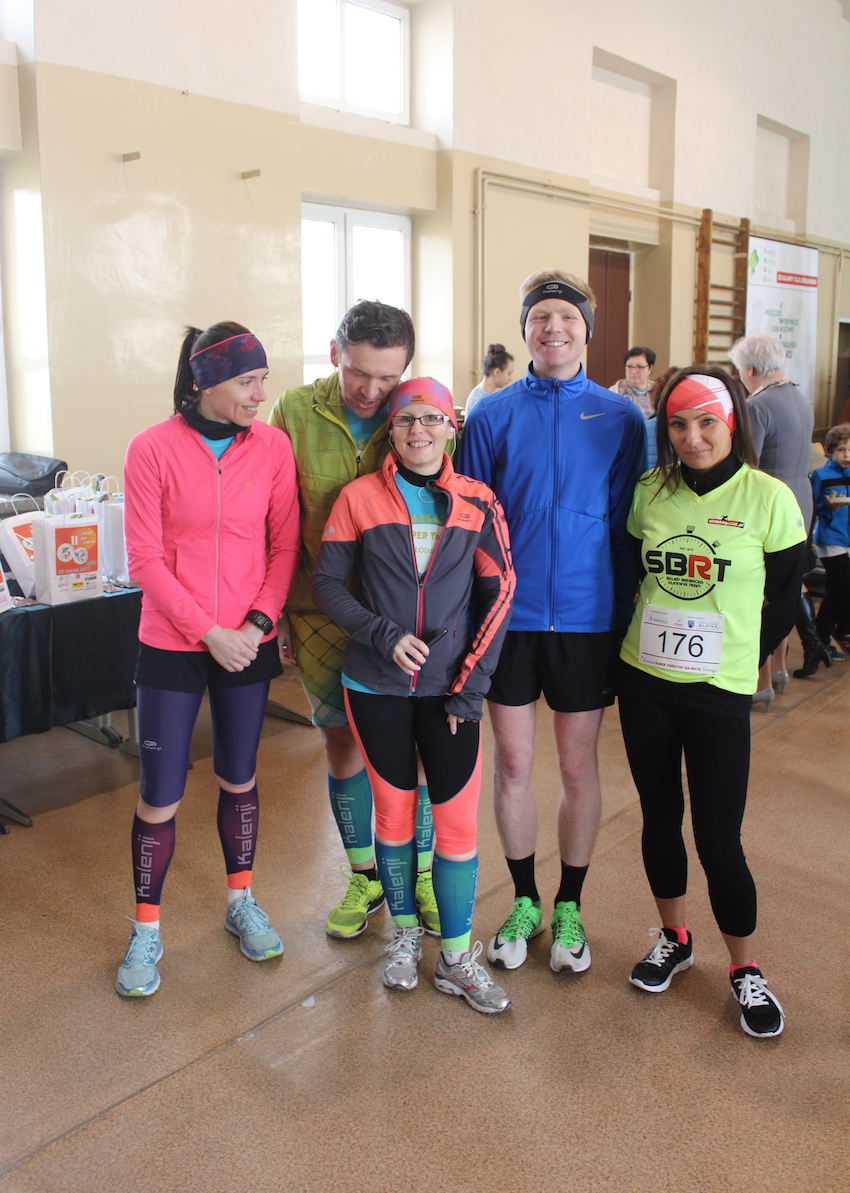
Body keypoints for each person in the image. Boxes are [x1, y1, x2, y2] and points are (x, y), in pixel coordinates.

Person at [458, 269, 646, 975]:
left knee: (575, 764)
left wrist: (624, 619)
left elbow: (628, 524)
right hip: (508, 620)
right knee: (512, 763)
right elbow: (471, 524)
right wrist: (471, 618)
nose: (554, 328)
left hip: (589, 618)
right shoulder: (491, 415)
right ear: (525, 329)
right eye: (541, 317)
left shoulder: (622, 418)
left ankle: (570, 902)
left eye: (567, 316)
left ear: (586, 330)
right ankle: (525, 898)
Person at [311, 378, 516, 1012]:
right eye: (405, 420)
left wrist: (470, 687)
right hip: (373, 684)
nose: (418, 430)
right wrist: (383, 634)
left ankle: (455, 957)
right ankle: (404, 936)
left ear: (451, 426)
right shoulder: (359, 498)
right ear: (391, 431)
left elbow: (501, 593)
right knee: (394, 817)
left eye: (431, 418)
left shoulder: (478, 501)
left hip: (449, 689)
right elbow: (327, 584)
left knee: (455, 824)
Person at [618, 367, 806, 1038]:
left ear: (732, 423)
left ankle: (745, 967)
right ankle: (674, 937)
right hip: (646, 683)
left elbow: (786, 594)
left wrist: (751, 658)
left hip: (719, 692)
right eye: (677, 424)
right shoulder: (650, 490)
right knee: (659, 818)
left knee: (719, 837)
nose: (692, 437)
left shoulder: (768, 497)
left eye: (706, 422)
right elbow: (629, 572)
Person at [116, 322, 301, 997]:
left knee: (239, 777)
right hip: (173, 643)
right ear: (206, 382)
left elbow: (284, 545)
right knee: (160, 794)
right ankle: (146, 928)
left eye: (262, 380)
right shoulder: (151, 449)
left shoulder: (272, 447)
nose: (260, 394)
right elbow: (144, 560)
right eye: (248, 381)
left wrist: (256, 623)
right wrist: (209, 632)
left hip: (247, 640)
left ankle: (240, 900)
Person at [268, 301, 440, 940]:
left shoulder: (420, 411)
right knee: (340, 742)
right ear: (334, 352)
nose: (371, 391)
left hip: (407, 620)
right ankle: (365, 876)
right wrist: (279, 610)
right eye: (358, 373)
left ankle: (422, 874)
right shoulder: (294, 411)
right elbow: (277, 519)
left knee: (416, 750)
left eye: (387, 378)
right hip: (319, 612)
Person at [729, 333, 815, 703]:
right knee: (785, 588)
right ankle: (779, 667)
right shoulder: (800, 396)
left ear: (749, 369)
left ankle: (759, 682)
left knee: (758, 595)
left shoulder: (757, 405)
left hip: (767, 507)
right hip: (801, 502)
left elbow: (747, 466)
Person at [810, 424, 850, 655]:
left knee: (835, 592)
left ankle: (821, 640)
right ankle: (844, 631)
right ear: (830, 451)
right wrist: (826, 507)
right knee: (845, 588)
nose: (847, 455)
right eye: (842, 450)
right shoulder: (820, 475)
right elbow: (812, 506)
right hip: (830, 539)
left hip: (847, 540)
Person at [465, 343, 515, 415]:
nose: (511, 378)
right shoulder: (480, 400)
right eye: (509, 373)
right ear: (497, 372)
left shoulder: (483, 396)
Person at [609, 347, 657, 418]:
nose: (634, 371)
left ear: (650, 369)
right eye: (630, 366)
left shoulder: (658, 391)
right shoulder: (613, 392)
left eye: (640, 367)